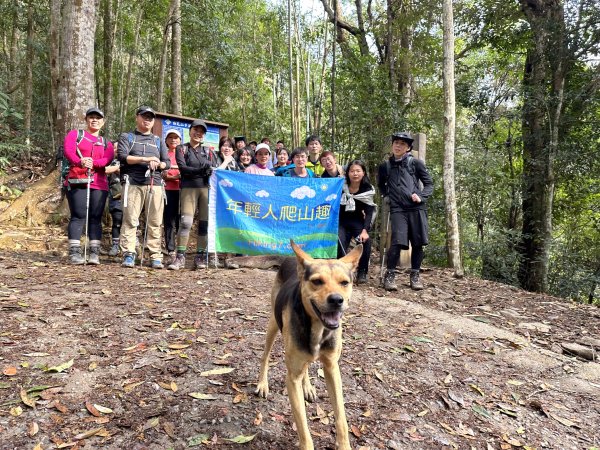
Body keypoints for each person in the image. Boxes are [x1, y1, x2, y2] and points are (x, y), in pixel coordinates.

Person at [377, 132, 433, 291]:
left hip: (416, 208)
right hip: (398, 208)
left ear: (408, 148)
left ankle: (415, 275)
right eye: (396, 142)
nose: (398, 146)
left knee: (417, 242)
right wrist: (386, 195)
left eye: (402, 144)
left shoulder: (416, 163)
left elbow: (429, 184)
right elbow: (381, 184)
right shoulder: (385, 166)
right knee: (397, 241)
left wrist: (421, 196)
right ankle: (390, 275)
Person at [117, 105, 170, 269]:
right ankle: (129, 253)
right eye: (144, 116)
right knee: (130, 220)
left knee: (155, 221)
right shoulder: (127, 137)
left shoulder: (158, 140)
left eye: (150, 118)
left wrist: (159, 163)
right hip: (133, 183)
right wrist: (146, 159)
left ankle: (155, 255)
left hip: (155, 184)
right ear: (137, 117)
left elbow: (167, 162)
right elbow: (123, 157)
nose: (147, 120)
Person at [64, 107, 114, 264]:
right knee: (78, 215)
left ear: (103, 122)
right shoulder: (75, 135)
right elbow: (69, 151)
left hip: (99, 183)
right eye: (91, 117)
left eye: (98, 118)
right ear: (86, 119)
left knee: (95, 218)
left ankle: (94, 253)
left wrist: (94, 163)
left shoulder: (107, 143)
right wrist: (80, 161)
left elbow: (108, 159)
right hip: (77, 180)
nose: (95, 120)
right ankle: (74, 252)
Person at [168, 119, 219, 271]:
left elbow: (213, 169)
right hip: (188, 189)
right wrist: (201, 170)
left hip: (205, 189)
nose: (198, 133)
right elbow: (183, 169)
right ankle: (180, 257)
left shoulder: (209, 151)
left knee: (204, 224)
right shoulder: (182, 149)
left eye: (202, 131)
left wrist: (205, 170)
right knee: (186, 223)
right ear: (189, 131)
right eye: (195, 130)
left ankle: (200, 256)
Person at [338, 160, 376, 284]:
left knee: (366, 241)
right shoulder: (340, 186)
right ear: (347, 173)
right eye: (352, 171)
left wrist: (365, 231)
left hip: (358, 223)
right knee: (339, 241)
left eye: (358, 171)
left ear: (363, 173)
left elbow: (369, 212)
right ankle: (341, 271)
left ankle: (362, 272)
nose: (355, 174)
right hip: (341, 222)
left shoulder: (367, 189)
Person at [214, 136, 242, 269]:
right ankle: (214, 256)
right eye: (224, 145)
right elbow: (214, 173)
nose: (227, 148)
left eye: (230, 146)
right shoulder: (215, 158)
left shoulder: (235, 163)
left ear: (233, 149)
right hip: (216, 199)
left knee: (230, 226)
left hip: (230, 200)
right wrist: (225, 161)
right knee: (217, 226)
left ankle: (229, 258)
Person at [162, 129, 182, 263]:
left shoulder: (184, 154)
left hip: (183, 191)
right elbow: (163, 174)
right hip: (167, 191)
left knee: (182, 221)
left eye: (176, 138)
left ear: (180, 140)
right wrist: (177, 176)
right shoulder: (163, 155)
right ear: (166, 140)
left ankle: (181, 249)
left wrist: (173, 176)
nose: (173, 140)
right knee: (169, 221)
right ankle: (170, 249)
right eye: (170, 137)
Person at [105, 148, 122, 257]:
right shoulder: (110, 161)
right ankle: (115, 244)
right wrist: (116, 168)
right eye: (115, 148)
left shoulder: (130, 160)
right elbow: (105, 170)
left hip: (131, 194)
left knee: (132, 220)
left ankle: (131, 244)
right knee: (117, 220)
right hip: (115, 194)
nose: (117, 150)